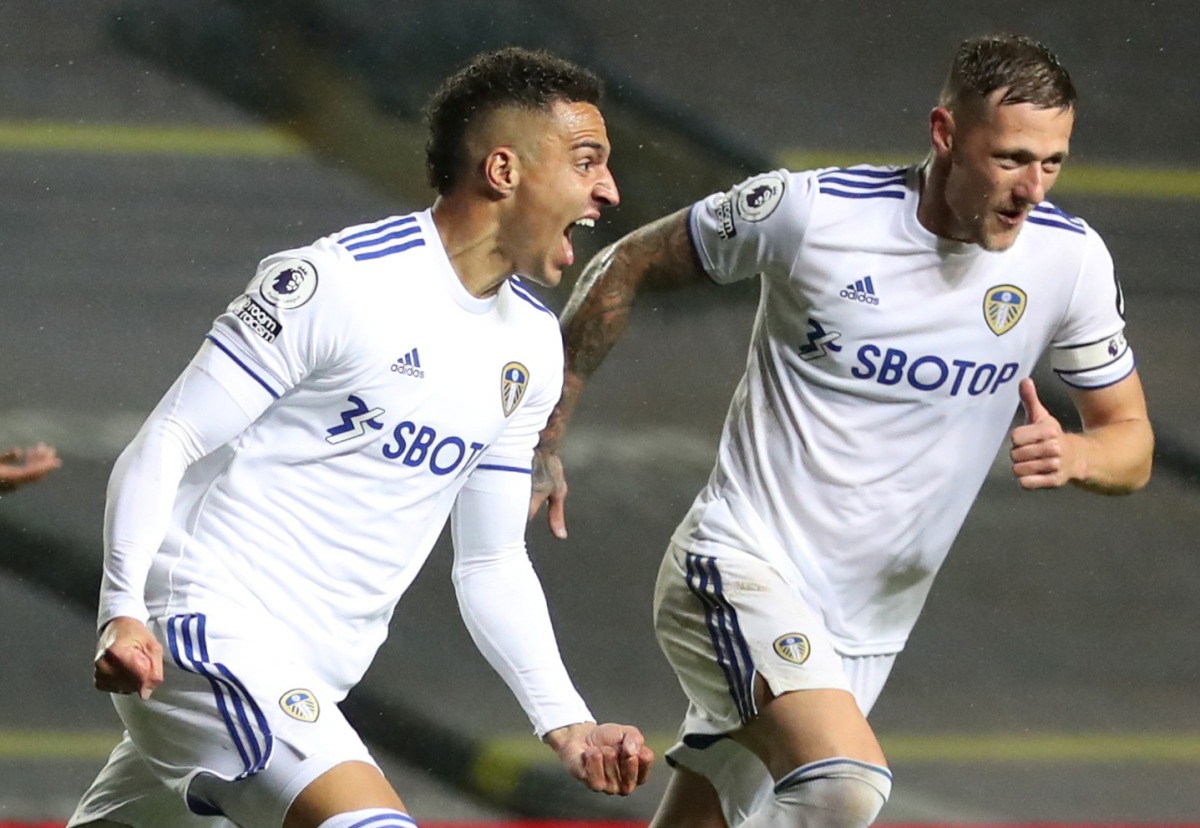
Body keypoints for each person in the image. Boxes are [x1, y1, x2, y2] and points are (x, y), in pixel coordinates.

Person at [530, 34, 1152, 828]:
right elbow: (629, 264)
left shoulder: (1070, 263)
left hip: (866, 631)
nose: (1033, 188)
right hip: (739, 565)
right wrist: (541, 437)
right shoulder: (812, 212)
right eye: (1011, 159)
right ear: (945, 134)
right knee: (843, 785)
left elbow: (1130, 441)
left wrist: (1079, 452)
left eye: (1053, 163)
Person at [71, 46, 653, 828]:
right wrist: (121, 609)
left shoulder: (531, 346)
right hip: (204, 631)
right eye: (588, 162)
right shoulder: (336, 282)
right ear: (505, 171)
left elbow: (489, 560)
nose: (608, 190)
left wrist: (568, 721)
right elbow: (169, 438)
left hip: (306, 677)